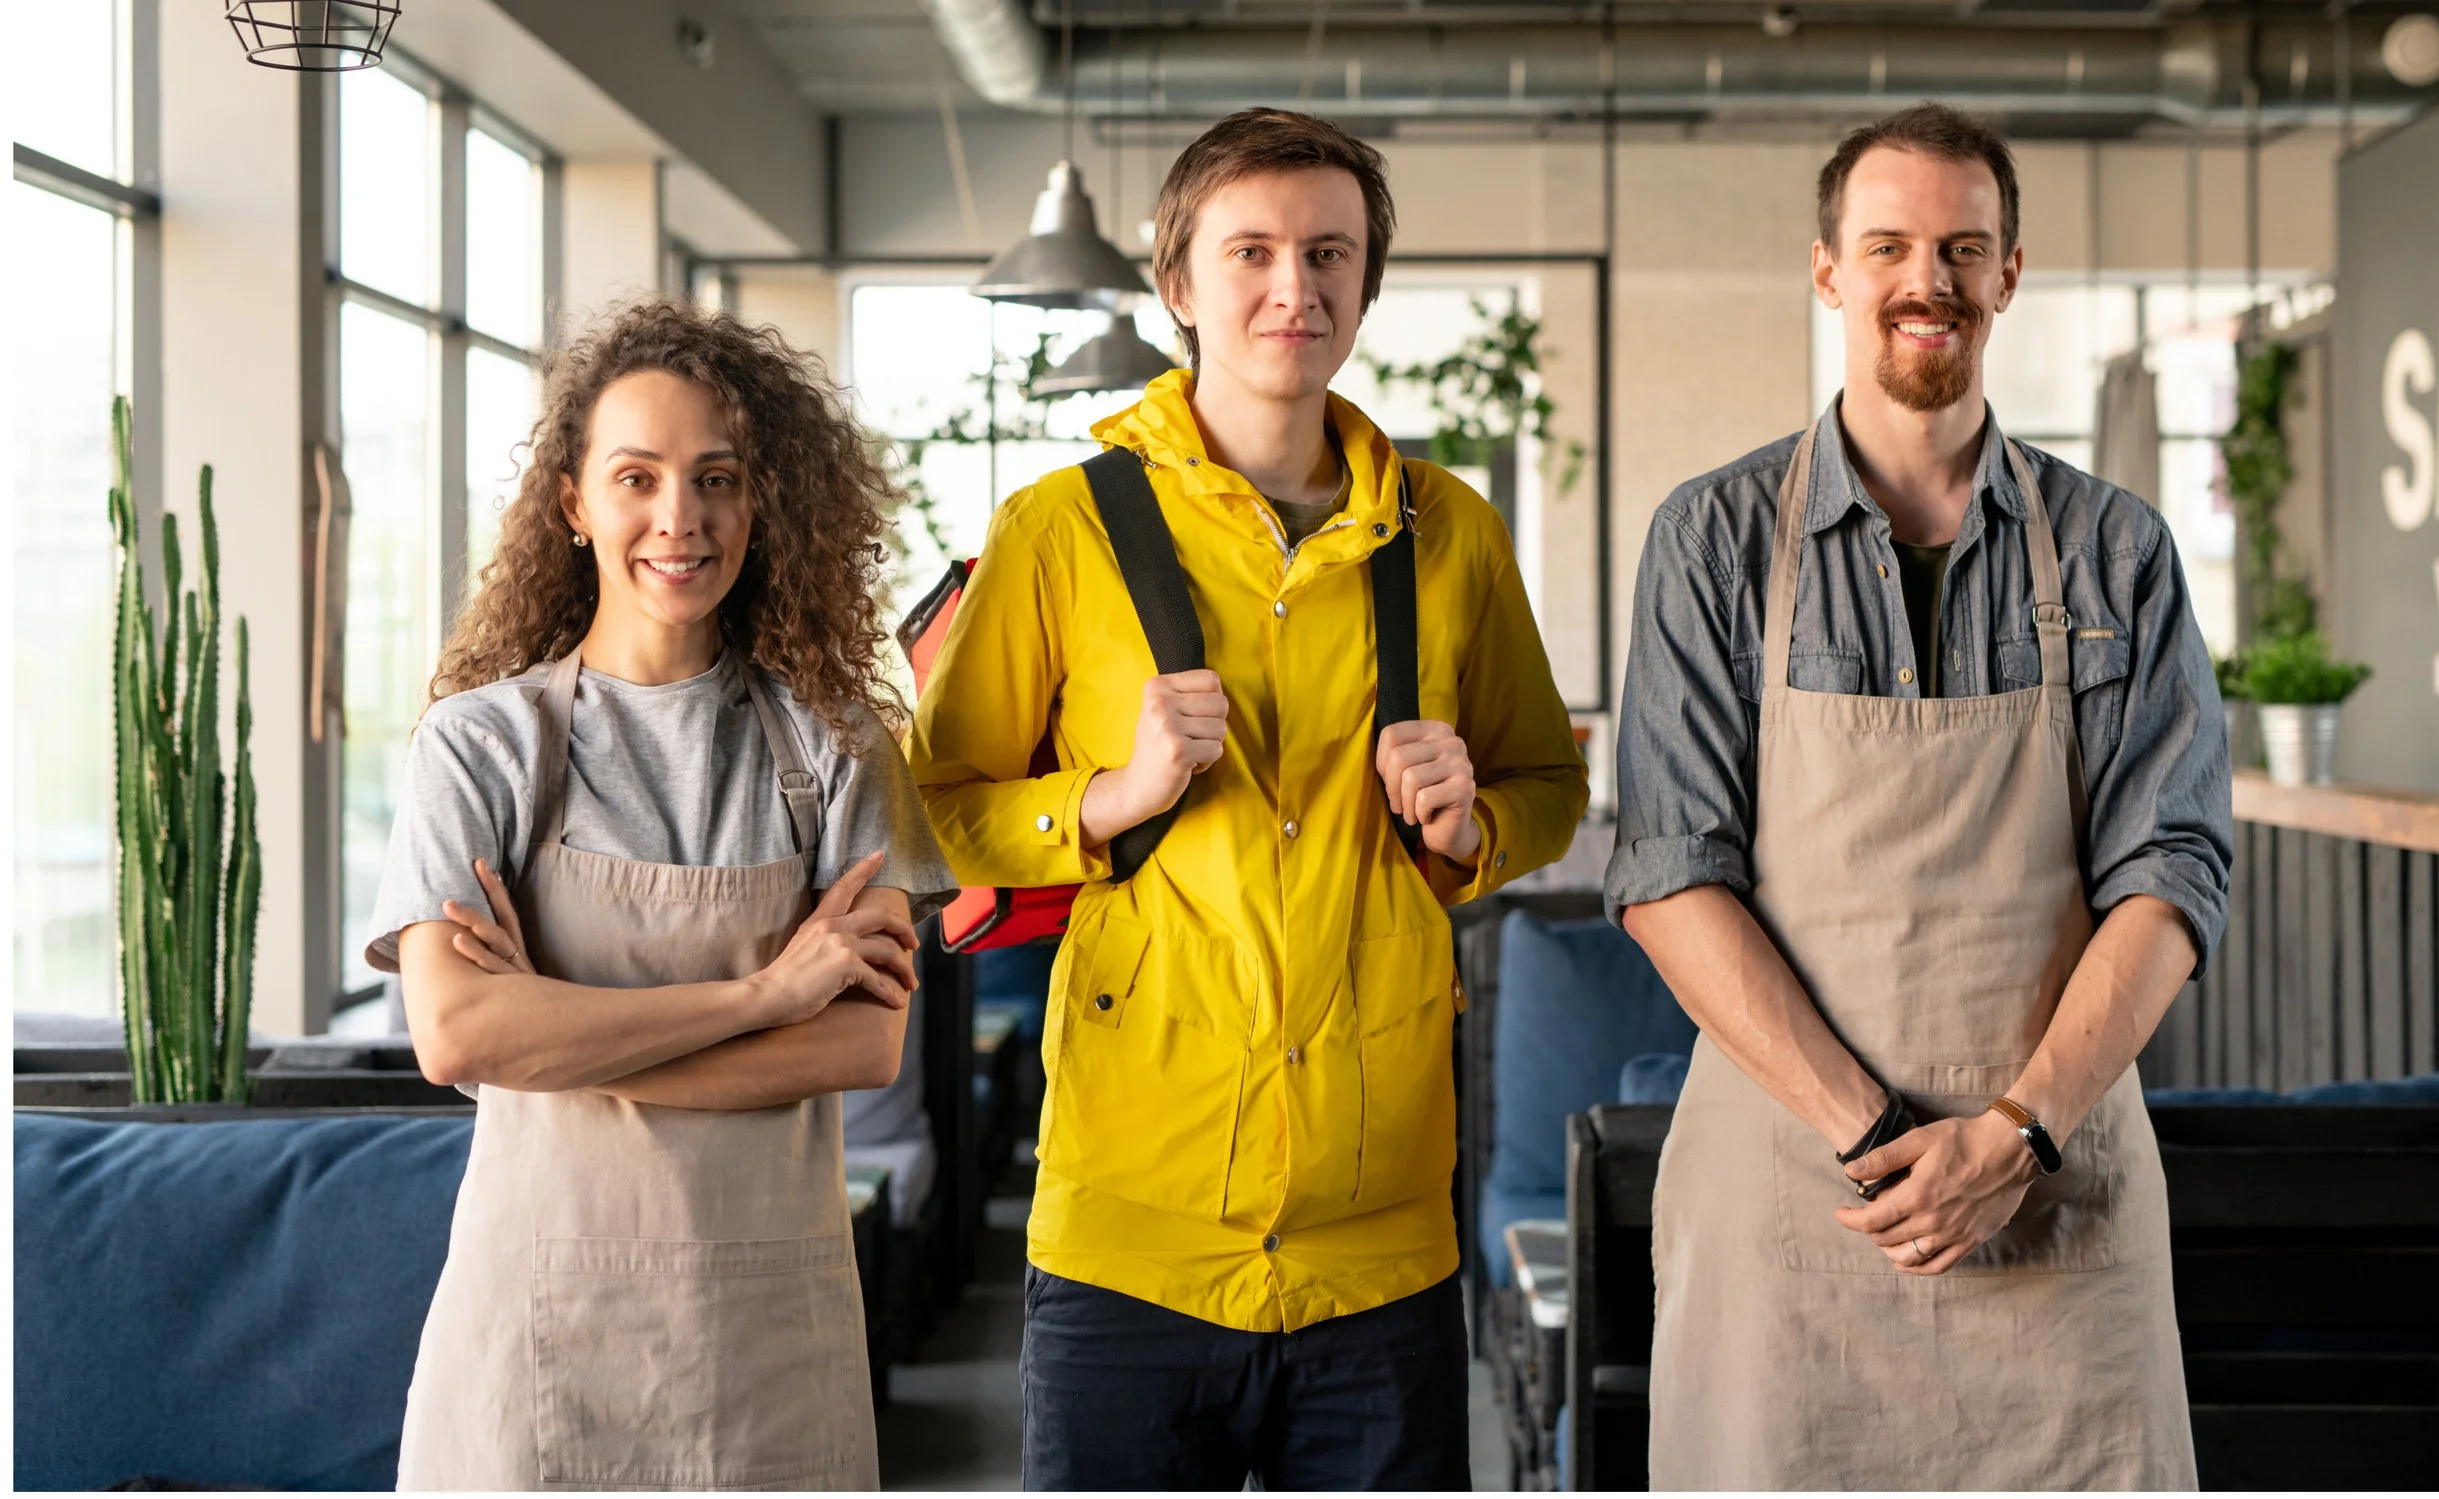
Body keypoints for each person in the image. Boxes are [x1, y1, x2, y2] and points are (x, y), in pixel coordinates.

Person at [908, 108, 1588, 1489]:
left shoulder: (1452, 533)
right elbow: (935, 808)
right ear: (1178, 285)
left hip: (1381, 1235)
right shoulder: (1059, 527)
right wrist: (1107, 794)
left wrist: (1476, 825)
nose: (1297, 286)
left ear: (1366, 286)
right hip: (1127, 1230)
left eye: (1330, 253)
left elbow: (1551, 783)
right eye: (1255, 251)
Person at [1609, 103, 2229, 1490]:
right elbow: (1667, 871)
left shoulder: (2119, 550)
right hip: (1796, 1206)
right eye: (1888, 244)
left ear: (2012, 271)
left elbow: (2174, 868)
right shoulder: (1709, 541)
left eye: (1963, 246)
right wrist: (1884, 1141)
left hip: (2059, 1201)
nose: (1926, 279)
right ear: (1828, 270)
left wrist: (2018, 1133)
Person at [370, 302, 956, 1491]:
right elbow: (459, 1035)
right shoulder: (478, 747)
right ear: (575, 506)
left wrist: (558, 1038)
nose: (678, 517)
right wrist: (766, 990)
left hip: (768, 1353)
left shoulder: (842, 747)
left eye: (717, 477)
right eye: (635, 476)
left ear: (761, 504)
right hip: (537, 1348)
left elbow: (862, 1042)